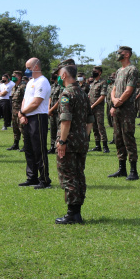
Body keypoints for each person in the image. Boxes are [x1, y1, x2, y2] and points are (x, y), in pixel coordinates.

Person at [53, 64, 93, 224]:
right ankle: (76, 212)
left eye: (58, 75)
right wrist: (84, 136)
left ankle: (72, 214)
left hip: (69, 142)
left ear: (63, 76)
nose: (57, 78)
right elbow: (90, 119)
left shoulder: (66, 94)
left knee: (68, 175)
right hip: (81, 141)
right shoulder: (83, 93)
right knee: (78, 174)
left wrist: (62, 141)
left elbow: (66, 120)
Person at [17, 58, 53, 188]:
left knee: (39, 149)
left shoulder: (43, 81)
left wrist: (22, 112)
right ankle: (31, 177)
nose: (26, 70)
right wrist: (22, 113)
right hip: (27, 116)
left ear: (36, 67)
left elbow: (36, 102)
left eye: (28, 67)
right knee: (29, 149)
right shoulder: (30, 82)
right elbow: (25, 100)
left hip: (38, 117)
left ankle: (44, 179)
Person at [109, 46, 140, 180]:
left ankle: (133, 170)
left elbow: (129, 90)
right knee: (118, 138)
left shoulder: (132, 70)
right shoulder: (118, 71)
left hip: (126, 108)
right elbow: (113, 89)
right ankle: (122, 168)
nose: (118, 55)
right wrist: (114, 102)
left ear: (127, 54)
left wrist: (119, 101)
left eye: (120, 53)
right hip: (118, 108)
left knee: (128, 137)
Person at [87, 66, 109, 153]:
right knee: (94, 127)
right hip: (91, 108)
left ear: (99, 72)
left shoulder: (103, 82)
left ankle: (105, 146)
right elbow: (89, 95)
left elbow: (102, 96)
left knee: (100, 127)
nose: (93, 72)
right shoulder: (92, 84)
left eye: (95, 71)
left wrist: (93, 105)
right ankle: (97, 145)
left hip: (98, 108)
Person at [8, 71, 27, 152]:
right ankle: (16, 144)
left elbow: (26, 99)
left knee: (22, 129)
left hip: (20, 112)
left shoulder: (23, 87)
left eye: (14, 76)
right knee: (15, 129)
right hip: (14, 111)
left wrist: (23, 112)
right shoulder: (14, 87)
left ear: (19, 77)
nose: (13, 78)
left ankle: (26, 145)